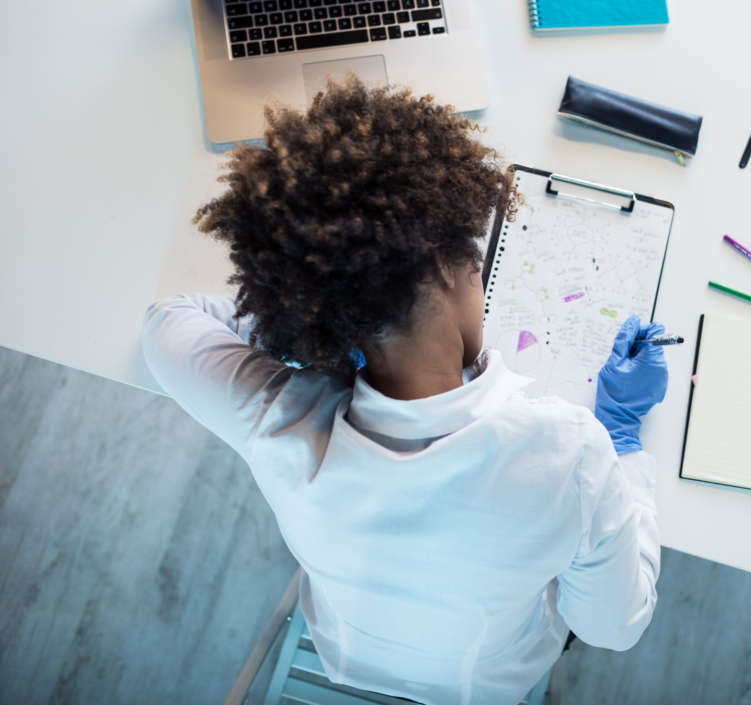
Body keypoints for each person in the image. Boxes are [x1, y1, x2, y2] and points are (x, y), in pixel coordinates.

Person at [140, 78, 667, 705]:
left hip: (346, 654)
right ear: (449, 267)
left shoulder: (279, 421)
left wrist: (317, 325)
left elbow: (167, 323)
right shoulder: (571, 451)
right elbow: (613, 627)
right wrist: (624, 441)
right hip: (484, 687)